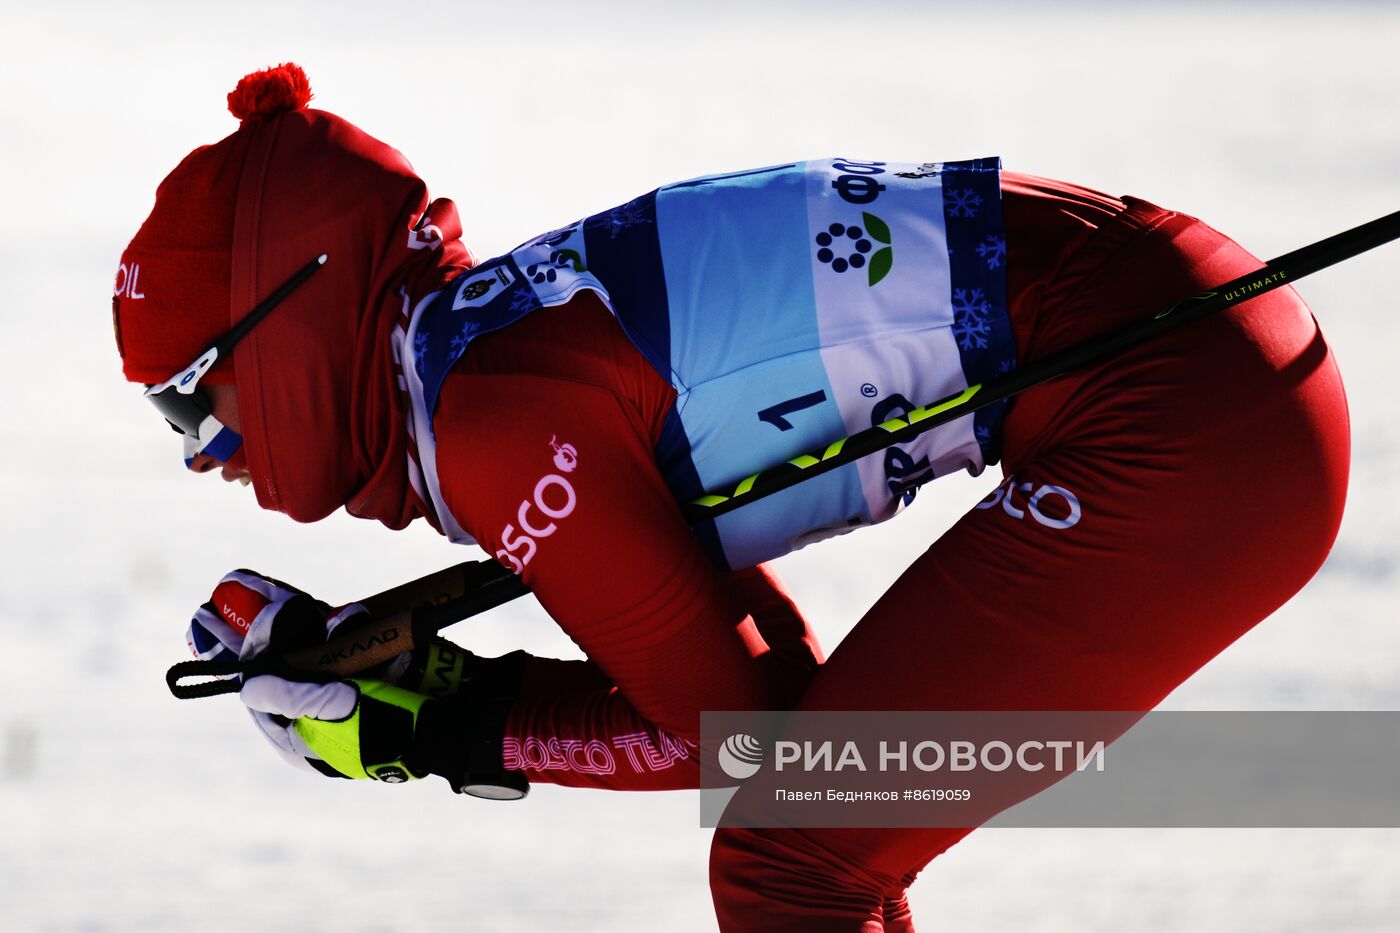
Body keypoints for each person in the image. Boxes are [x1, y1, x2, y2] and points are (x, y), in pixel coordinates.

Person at [114, 64, 1350, 931]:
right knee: (819, 839)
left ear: (285, 336)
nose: (202, 459)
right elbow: (773, 701)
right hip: (1202, 362)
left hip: (1181, 404)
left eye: (189, 405)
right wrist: (441, 704)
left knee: (791, 859)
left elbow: (737, 745)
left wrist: (447, 722)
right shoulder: (484, 356)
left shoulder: (493, 423)